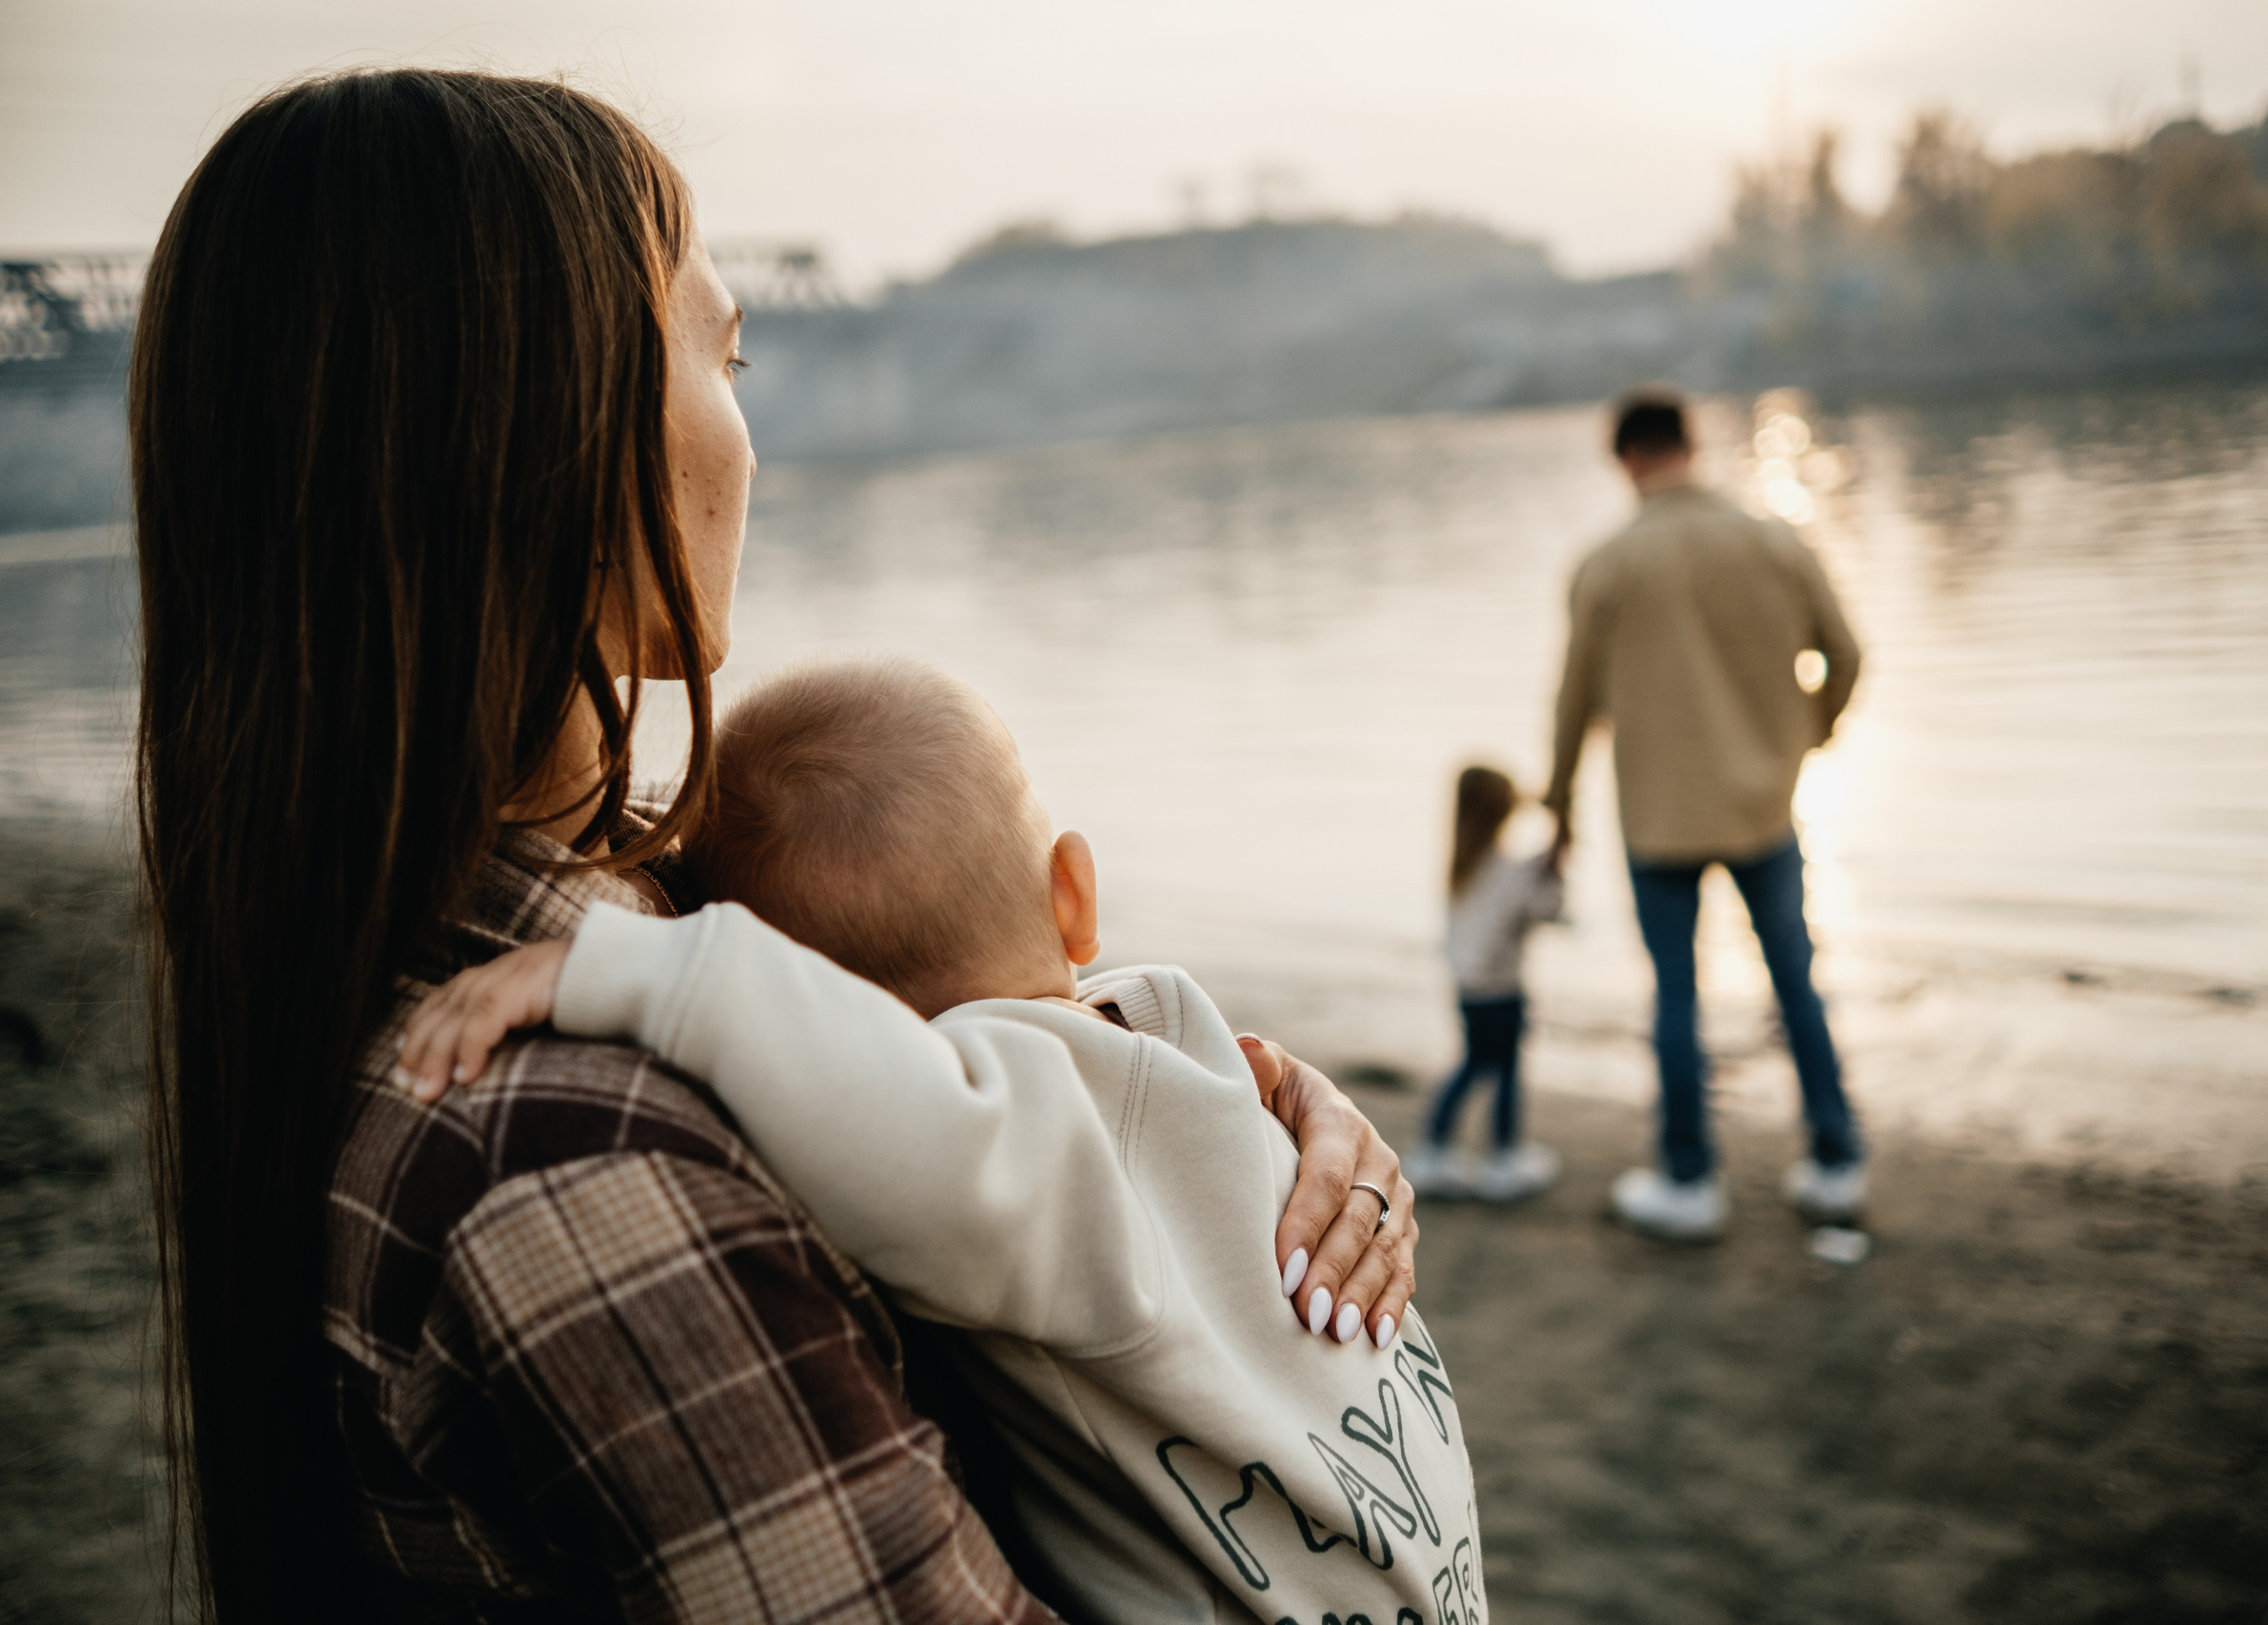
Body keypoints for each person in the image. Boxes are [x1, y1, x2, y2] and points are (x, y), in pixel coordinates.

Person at [132, 69, 1412, 1621]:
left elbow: (951, 1057)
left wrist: (1230, 1113)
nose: (750, 440)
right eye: (723, 353)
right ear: (548, 422)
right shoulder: (564, 1161)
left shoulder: (604, 952)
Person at [396, 657, 1486, 1625]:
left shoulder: (1017, 1144)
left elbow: (916, 1129)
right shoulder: (1189, 1041)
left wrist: (657, 971)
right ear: (1072, 893)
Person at [1544, 385, 1866, 1241]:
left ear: (1626, 460)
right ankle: (1836, 1163)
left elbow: (1571, 704)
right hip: (1765, 805)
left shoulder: (1606, 563)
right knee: (1796, 982)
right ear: (1693, 444)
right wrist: (1810, 740)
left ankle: (1690, 1181)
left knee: (1677, 998)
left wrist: (1560, 807)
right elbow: (1846, 653)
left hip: (1658, 820)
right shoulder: (1772, 539)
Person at [1405, 765, 1567, 1202]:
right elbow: (1544, 911)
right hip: (1500, 989)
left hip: (1467, 987)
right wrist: (1555, 870)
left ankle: (1434, 1147)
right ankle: (1504, 1156)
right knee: (1504, 1069)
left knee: (1474, 1062)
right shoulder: (1509, 871)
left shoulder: (1462, 864)